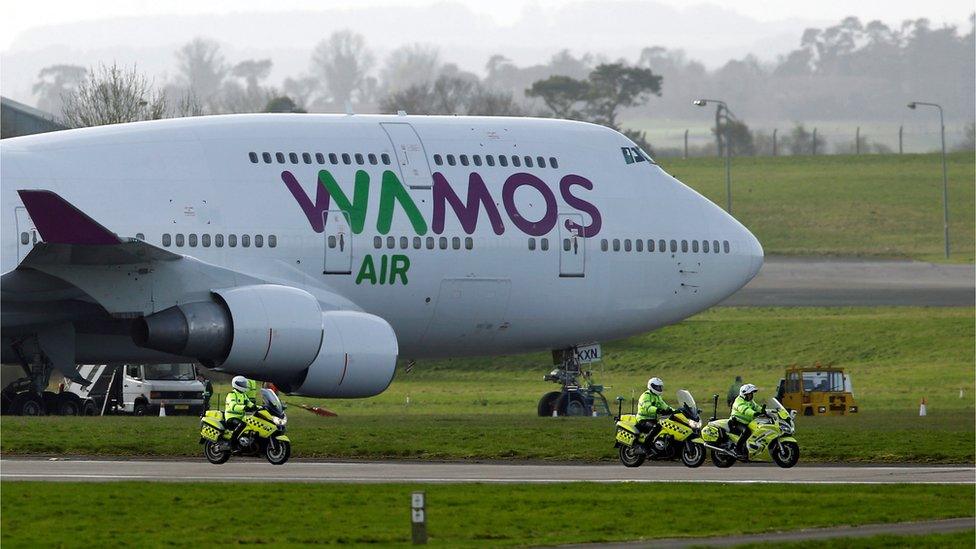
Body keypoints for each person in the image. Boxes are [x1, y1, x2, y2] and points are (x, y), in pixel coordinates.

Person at [729, 383, 764, 457]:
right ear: (744, 394)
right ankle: (737, 449)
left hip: (746, 422)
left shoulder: (750, 401)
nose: (751, 395)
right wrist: (754, 414)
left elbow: (756, 407)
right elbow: (744, 409)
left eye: (752, 394)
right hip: (736, 422)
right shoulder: (738, 401)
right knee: (747, 432)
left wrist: (764, 411)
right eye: (749, 394)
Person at [224, 376, 257, 447]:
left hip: (241, 417)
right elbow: (233, 406)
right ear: (237, 384)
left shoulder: (243, 395)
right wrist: (244, 408)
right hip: (231, 417)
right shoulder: (231, 394)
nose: (244, 386)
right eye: (243, 384)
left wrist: (257, 407)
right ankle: (231, 444)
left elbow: (249, 403)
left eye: (244, 384)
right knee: (242, 425)